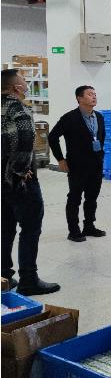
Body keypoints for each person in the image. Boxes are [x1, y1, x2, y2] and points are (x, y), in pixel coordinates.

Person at [1, 69, 60, 295]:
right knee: (30, 228)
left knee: (5, 227)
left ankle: (4, 275)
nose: (26, 84)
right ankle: (29, 279)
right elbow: (25, 139)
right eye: (24, 81)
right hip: (20, 182)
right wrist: (20, 170)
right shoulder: (19, 108)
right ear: (16, 87)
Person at [47, 86, 107, 243]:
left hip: (96, 164)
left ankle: (89, 226)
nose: (94, 97)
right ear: (79, 98)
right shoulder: (70, 118)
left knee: (92, 197)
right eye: (90, 94)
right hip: (77, 165)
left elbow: (101, 138)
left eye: (95, 94)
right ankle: (73, 230)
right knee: (75, 197)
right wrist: (60, 159)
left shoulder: (99, 117)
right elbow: (52, 137)